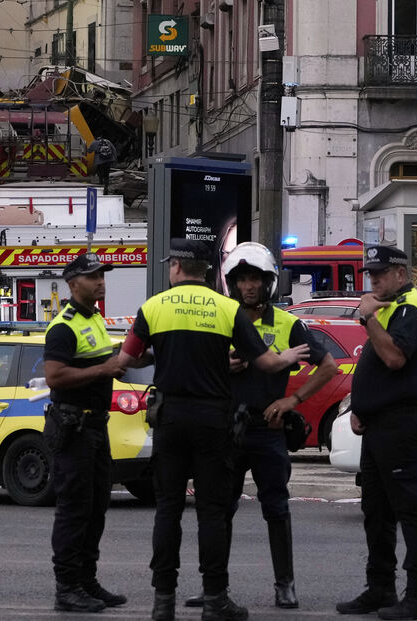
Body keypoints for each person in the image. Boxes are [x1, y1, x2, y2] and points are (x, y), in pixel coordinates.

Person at [118, 239, 310, 621]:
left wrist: (162, 353)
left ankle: (163, 601)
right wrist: (287, 356)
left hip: (170, 419)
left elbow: (128, 359)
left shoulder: (153, 307)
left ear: (176, 266)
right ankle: (214, 599)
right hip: (212, 422)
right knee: (211, 512)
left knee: (168, 510)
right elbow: (268, 363)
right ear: (208, 271)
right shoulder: (227, 310)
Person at [183, 243, 337, 611]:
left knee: (277, 508)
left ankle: (285, 585)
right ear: (231, 283)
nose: (249, 286)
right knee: (219, 510)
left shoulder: (288, 323)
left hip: (268, 430)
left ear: (268, 283)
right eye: (242, 279)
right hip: (225, 431)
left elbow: (328, 366)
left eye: (256, 279)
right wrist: (224, 366)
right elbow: (193, 366)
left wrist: (292, 401)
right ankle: (213, 588)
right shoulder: (218, 316)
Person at [336, 245, 417, 620]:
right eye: (370, 274)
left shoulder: (411, 306)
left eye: (380, 273)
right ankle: (380, 587)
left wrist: (368, 320)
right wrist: (361, 408)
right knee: (376, 511)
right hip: (379, 425)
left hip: (400, 424)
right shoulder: (392, 307)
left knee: (412, 511)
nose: (373, 280)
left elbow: (395, 358)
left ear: (401, 273)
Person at [43, 253, 127, 613]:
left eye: (102, 275)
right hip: (74, 427)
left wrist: (135, 356)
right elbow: (55, 376)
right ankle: (67, 588)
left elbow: (106, 361)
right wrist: (103, 371)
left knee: (96, 508)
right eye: (93, 277)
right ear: (73, 283)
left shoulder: (94, 319)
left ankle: (86, 581)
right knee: (74, 510)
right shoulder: (64, 326)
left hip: (95, 426)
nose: (100, 281)